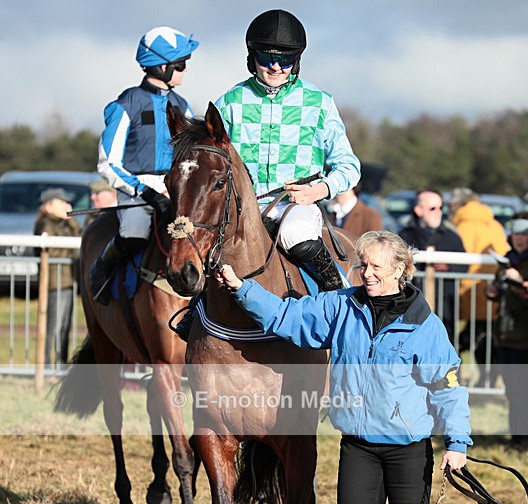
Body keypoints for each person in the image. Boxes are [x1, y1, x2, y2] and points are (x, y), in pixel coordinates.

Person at [216, 231, 472, 504]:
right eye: (362, 266)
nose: (366, 274)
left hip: (408, 448)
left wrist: (457, 441)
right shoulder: (343, 306)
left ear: (399, 270)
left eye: (376, 267)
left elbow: (447, 385)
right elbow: (287, 317)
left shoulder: (424, 323)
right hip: (357, 444)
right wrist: (244, 291)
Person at [176, 9, 360, 341]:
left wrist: (317, 191)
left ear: (296, 61)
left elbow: (349, 165)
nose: (275, 67)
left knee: (295, 236)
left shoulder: (319, 103)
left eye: (285, 60)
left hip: (295, 206)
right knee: (213, 245)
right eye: (266, 57)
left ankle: (344, 306)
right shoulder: (230, 103)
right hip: (243, 209)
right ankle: (197, 310)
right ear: (253, 57)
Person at [93, 26, 199, 303]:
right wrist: (145, 191)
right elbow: (108, 164)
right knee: (135, 236)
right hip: (136, 191)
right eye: (181, 64)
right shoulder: (126, 104)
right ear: (162, 66)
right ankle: (102, 271)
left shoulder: (182, 106)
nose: (185, 70)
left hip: (174, 188)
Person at [448, 187, 509, 371]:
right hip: (493, 290)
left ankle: (454, 374)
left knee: (469, 337)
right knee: (486, 337)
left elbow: (458, 259)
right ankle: (488, 379)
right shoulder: (494, 224)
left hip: (471, 290)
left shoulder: (463, 226)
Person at [486, 215, 528, 449]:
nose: (520, 239)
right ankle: (516, 437)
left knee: (525, 390)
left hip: (525, 336)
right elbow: (499, 292)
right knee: (512, 389)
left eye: (525, 235)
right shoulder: (508, 260)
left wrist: (520, 282)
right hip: (504, 334)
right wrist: (492, 290)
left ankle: (525, 439)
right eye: (516, 235)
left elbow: (527, 300)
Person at [398, 189, 467, 341]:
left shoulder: (452, 237)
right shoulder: (404, 235)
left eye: (441, 207)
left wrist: (449, 268)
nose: (438, 212)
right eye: (432, 208)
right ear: (418, 210)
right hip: (411, 305)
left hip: (445, 306)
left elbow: (465, 266)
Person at [33, 188, 81, 368]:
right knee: (52, 327)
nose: (66, 206)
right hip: (55, 282)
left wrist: (72, 221)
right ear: (49, 205)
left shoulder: (64, 224)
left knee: (63, 327)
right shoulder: (45, 225)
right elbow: (53, 252)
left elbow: (79, 245)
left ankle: (60, 364)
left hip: (67, 281)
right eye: (61, 202)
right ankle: (45, 365)